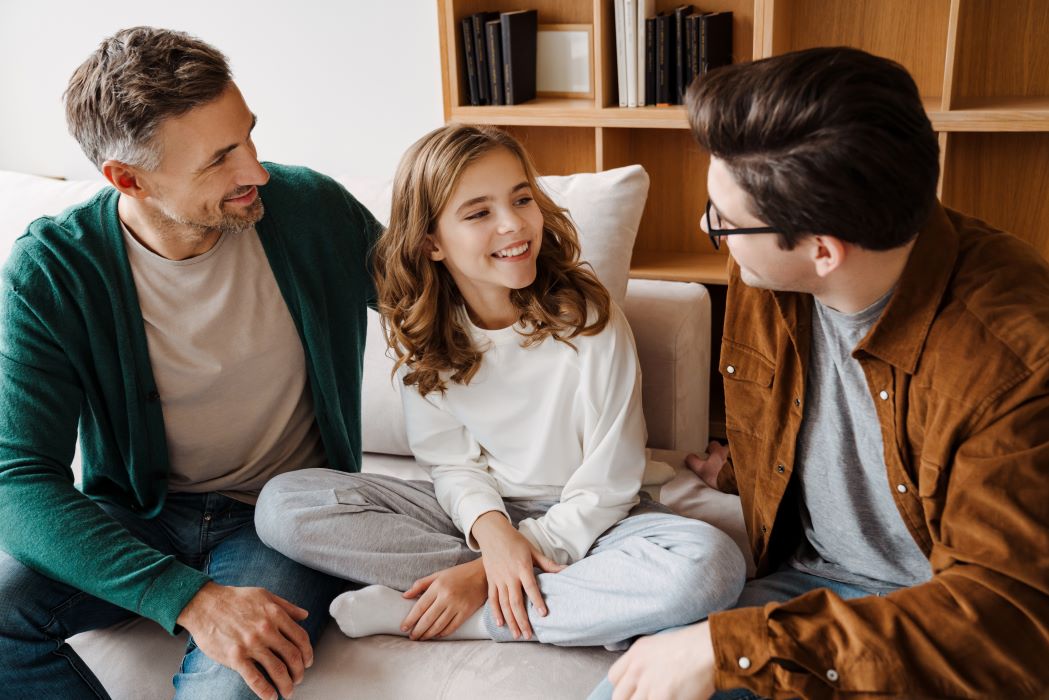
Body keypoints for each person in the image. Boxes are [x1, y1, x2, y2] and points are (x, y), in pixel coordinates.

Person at [594, 46, 1049, 700]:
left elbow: (1005, 625)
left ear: (822, 250)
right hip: (805, 591)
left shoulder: (1014, 362)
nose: (707, 228)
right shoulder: (767, 266)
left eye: (722, 222)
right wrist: (737, 472)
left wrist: (731, 648)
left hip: (936, 633)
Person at [254, 124, 746, 649]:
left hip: (599, 519)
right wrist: (493, 536)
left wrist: (485, 570)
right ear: (431, 242)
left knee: (710, 567)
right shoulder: (425, 333)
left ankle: (463, 609)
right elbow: (451, 464)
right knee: (283, 504)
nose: (513, 224)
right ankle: (564, 601)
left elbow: (609, 483)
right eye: (479, 213)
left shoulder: (588, 318)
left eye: (521, 199)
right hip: (474, 517)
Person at [0, 27, 382, 700]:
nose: (255, 172)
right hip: (137, 516)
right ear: (128, 179)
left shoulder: (311, 210)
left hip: (280, 517)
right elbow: (18, 481)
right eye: (219, 160)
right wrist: (190, 599)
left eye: (249, 137)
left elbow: (441, 306)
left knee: (229, 689)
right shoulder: (53, 270)